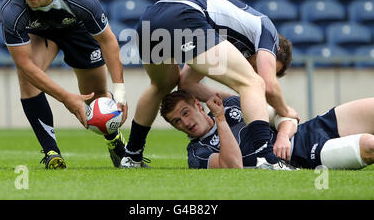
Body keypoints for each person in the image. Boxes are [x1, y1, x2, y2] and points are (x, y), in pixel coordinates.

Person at [120, 0, 298, 169]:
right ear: (273, 50)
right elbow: (267, 86)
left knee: (161, 86)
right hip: (184, 15)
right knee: (253, 83)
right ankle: (266, 158)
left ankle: (132, 157)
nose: (259, 70)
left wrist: (230, 99)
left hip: (150, 20)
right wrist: (284, 110)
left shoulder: (230, 34)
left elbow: (187, 84)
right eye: (261, 66)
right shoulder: (268, 31)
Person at [0, 0, 128, 169]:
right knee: (27, 79)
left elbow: (108, 41)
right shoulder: (12, 9)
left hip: (76, 31)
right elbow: (25, 64)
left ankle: (113, 139)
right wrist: (66, 98)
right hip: (40, 33)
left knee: (95, 96)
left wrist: (120, 92)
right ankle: (52, 152)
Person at [160, 89, 374, 170]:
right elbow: (232, 165)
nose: (185, 123)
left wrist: (282, 136)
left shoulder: (234, 103)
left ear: (198, 105)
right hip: (302, 156)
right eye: (177, 121)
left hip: (309, 129)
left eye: (185, 113)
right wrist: (219, 118)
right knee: (368, 146)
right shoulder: (197, 154)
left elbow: (287, 114)